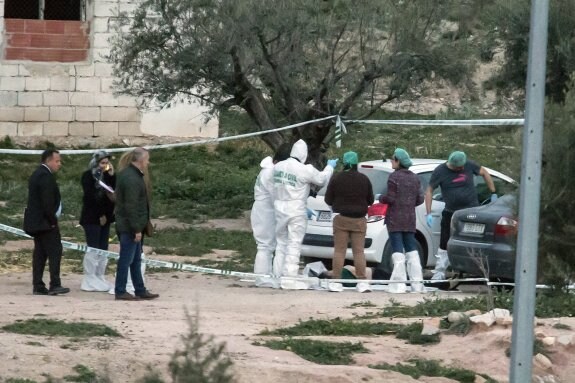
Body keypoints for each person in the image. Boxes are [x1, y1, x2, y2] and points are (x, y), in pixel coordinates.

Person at [272, 139, 338, 287]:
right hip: (296, 209)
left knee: (281, 244)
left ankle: (277, 276)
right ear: (304, 155)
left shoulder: (279, 167)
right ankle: (289, 278)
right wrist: (329, 167)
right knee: (294, 244)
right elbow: (321, 179)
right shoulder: (305, 169)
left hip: (279, 208)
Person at [424, 150, 497, 281]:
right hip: (452, 213)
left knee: (473, 241)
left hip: (472, 212)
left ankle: (478, 272)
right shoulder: (440, 171)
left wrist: (493, 192)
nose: (463, 168)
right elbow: (429, 191)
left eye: (464, 166)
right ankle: (439, 273)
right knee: (445, 243)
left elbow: (484, 172)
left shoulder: (468, 164)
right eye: (460, 167)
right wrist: (428, 212)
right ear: (453, 164)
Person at [324, 151, 374, 293]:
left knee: (339, 251)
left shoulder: (336, 178)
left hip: (341, 219)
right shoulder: (364, 179)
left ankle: (336, 282)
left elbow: (328, 200)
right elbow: (370, 200)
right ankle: (362, 282)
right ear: (356, 163)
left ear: (344, 163)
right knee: (359, 252)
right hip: (359, 220)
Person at [114, 147, 159, 301]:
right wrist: (136, 229)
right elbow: (131, 206)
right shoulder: (131, 178)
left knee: (136, 260)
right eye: (147, 159)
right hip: (129, 226)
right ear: (140, 160)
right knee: (126, 259)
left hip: (132, 225)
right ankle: (120, 290)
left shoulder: (131, 175)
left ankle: (139, 289)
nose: (148, 162)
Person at [23, 149, 70, 296]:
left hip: (37, 223)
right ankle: (54, 284)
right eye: (57, 161)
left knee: (40, 253)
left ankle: (38, 285)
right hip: (45, 223)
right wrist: (53, 221)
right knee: (54, 251)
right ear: (48, 161)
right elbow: (47, 202)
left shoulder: (37, 174)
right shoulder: (45, 176)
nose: (59, 164)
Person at [379, 148, 425, 293]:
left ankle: (398, 284)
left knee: (397, 250)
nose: (391, 161)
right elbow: (420, 199)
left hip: (395, 218)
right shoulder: (415, 177)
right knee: (412, 249)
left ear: (398, 161)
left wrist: (381, 198)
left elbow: (391, 198)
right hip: (410, 218)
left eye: (393, 159)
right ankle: (417, 284)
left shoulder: (394, 177)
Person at [251, 143, 292, 275]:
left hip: (261, 210)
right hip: (266, 212)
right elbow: (277, 195)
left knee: (264, 246)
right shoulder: (271, 173)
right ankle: (263, 278)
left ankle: (264, 277)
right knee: (265, 246)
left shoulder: (266, 170)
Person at [79, 150, 116, 292]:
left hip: (106, 218)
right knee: (93, 247)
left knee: (103, 248)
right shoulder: (88, 176)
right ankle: (89, 278)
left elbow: (112, 193)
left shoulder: (108, 176)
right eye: (102, 163)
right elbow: (90, 197)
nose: (104, 166)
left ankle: (99, 275)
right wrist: (100, 214)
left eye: (107, 163)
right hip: (92, 217)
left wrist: (112, 176)